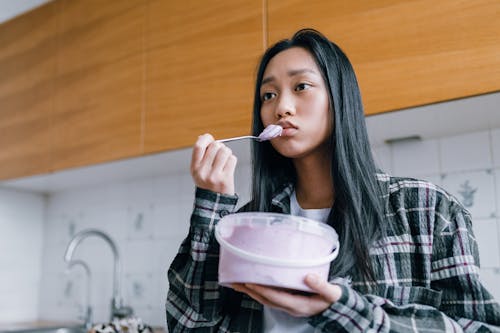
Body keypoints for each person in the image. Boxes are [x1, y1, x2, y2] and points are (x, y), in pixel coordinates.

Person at [166, 28, 500, 332]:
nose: (281, 107)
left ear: (339, 99)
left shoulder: (427, 210)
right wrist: (211, 203)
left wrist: (344, 310)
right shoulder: (247, 227)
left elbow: (479, 328)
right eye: (268, 95)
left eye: (301, 87)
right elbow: (189, 326)